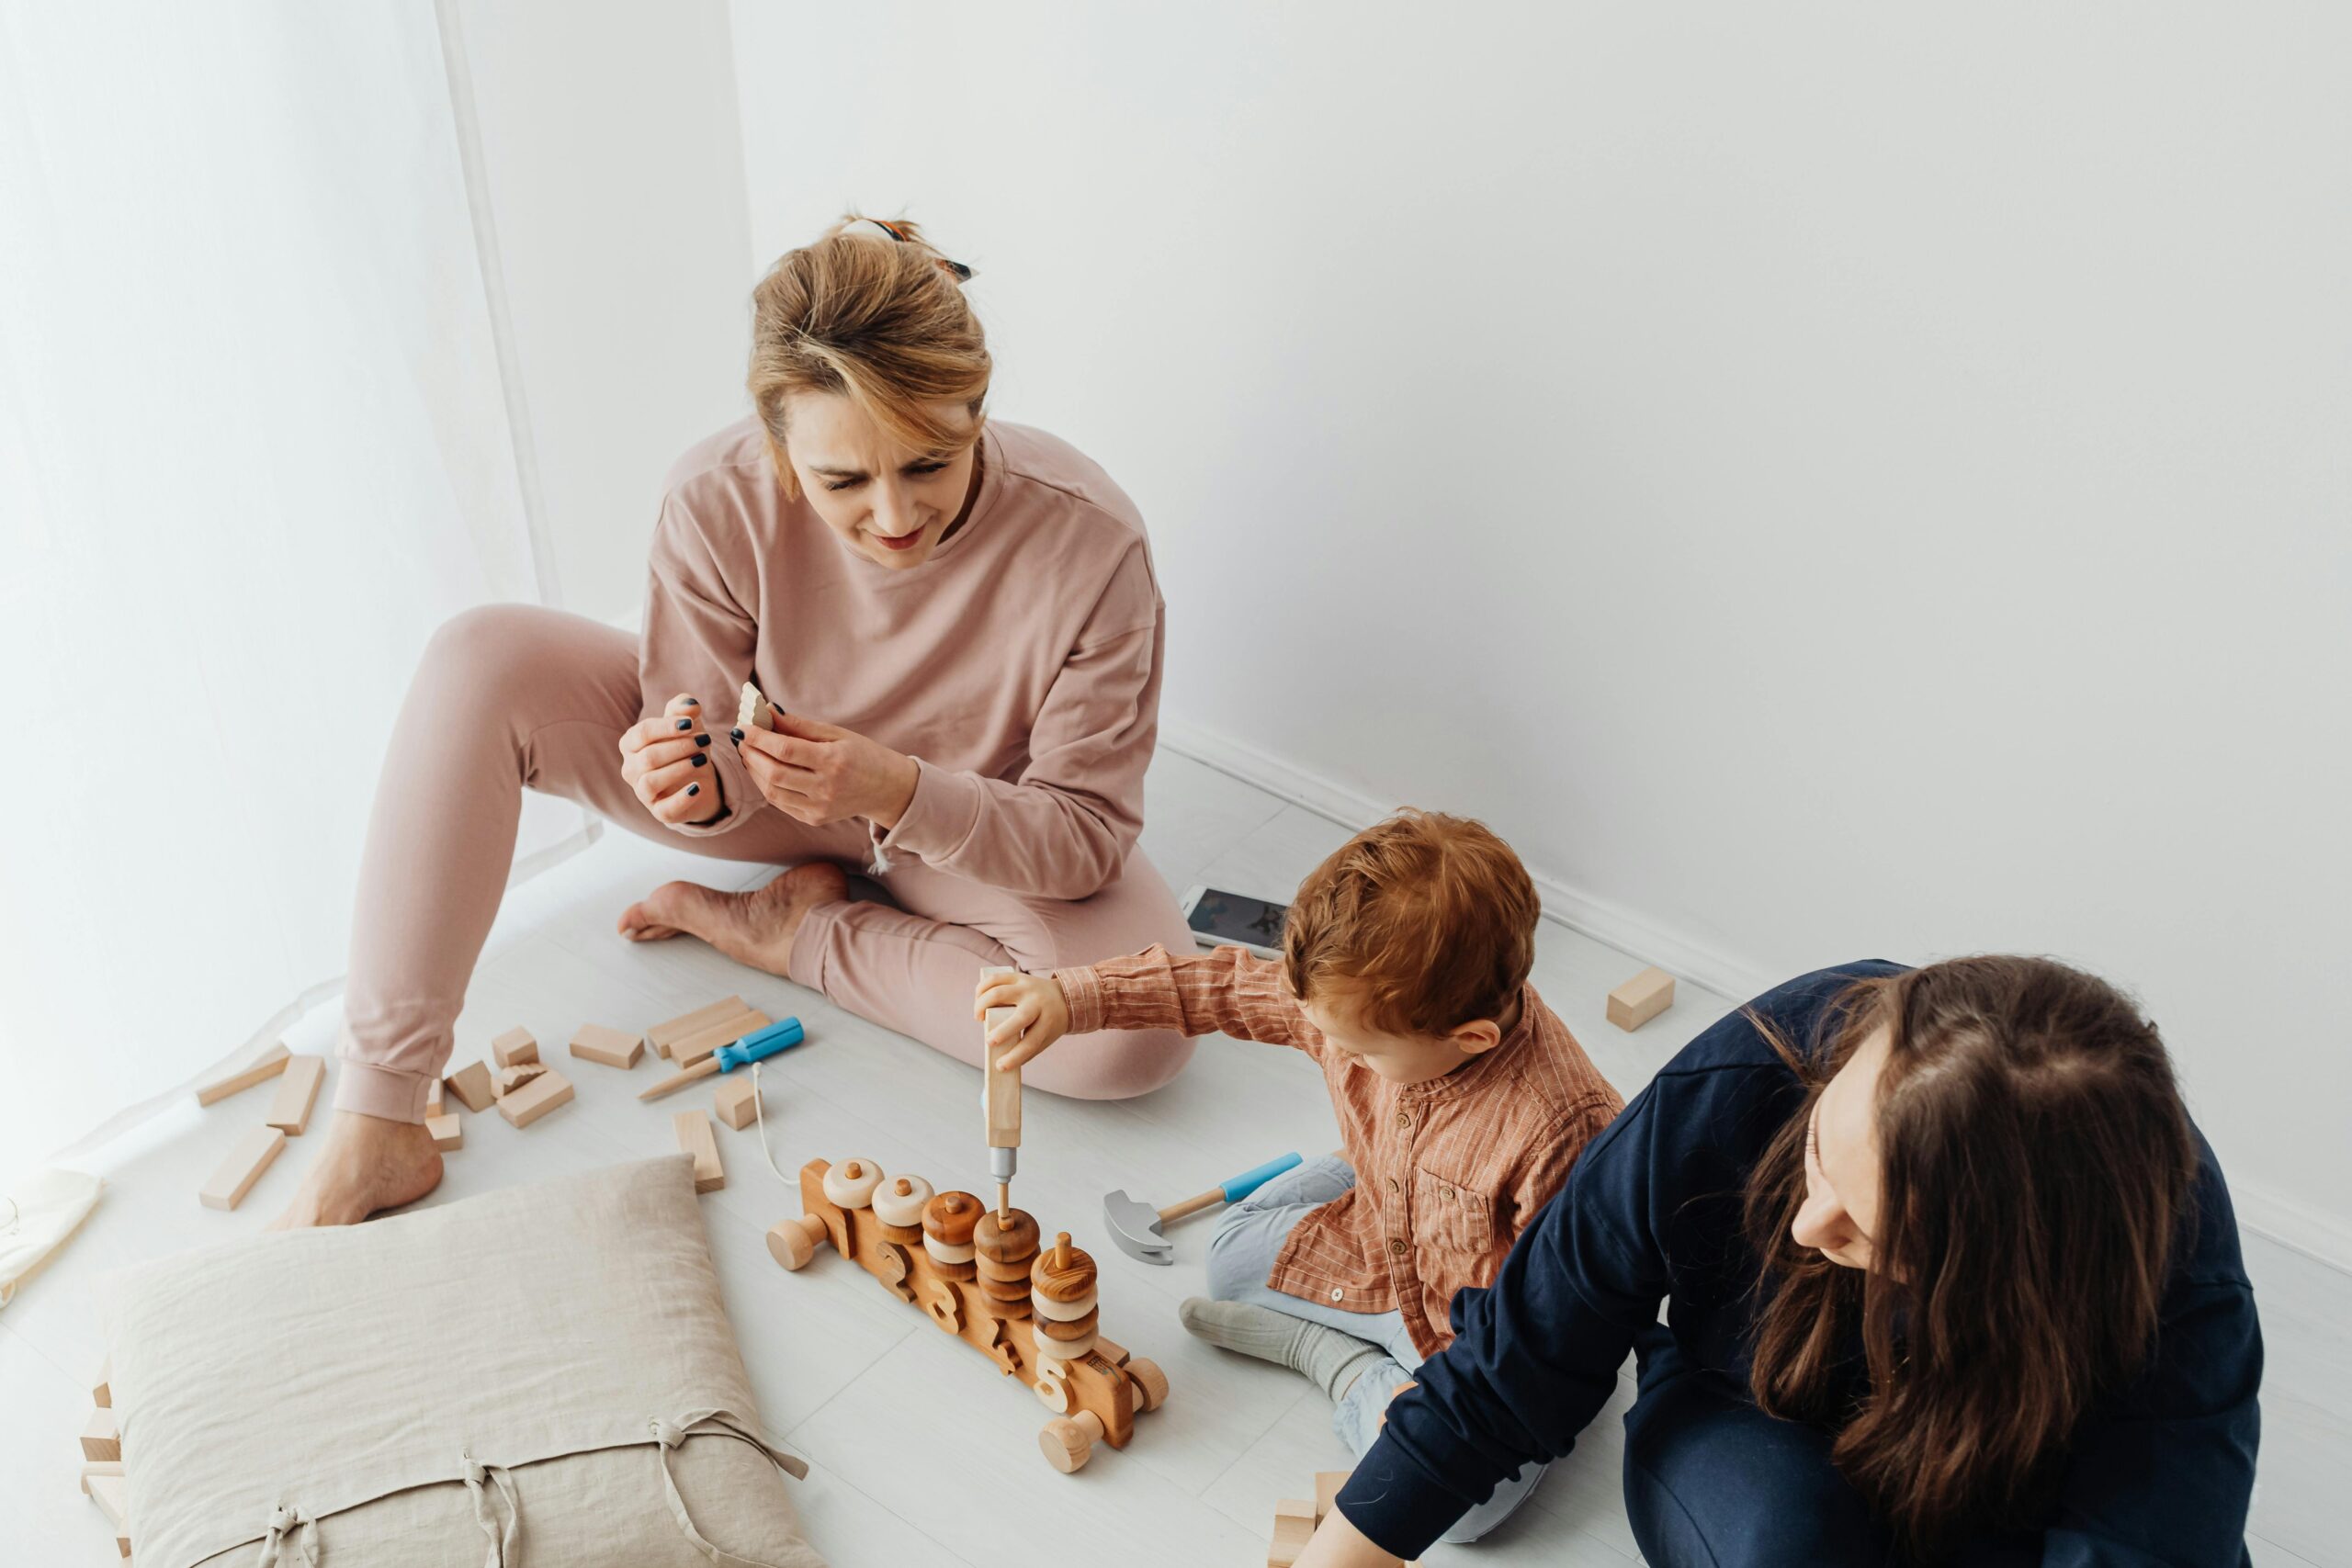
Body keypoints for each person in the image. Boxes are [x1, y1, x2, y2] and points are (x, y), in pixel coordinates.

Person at [277, 215, 1198, 1227]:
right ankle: (378, 1118)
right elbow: (700, 736)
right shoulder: (716, 497)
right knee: (478, 657)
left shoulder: (1090, 542)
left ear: (980, 412)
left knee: (1135, 1034)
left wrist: (894, 788)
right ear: (778, 444)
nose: (893, 518)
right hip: (784, 796)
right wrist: (689, 780)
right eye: (842, 480)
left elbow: (1086, 841)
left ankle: (799, 933)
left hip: (969, 829)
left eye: (931, 463)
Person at [1295, 957, 2263, 1565]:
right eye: (1816, 1157)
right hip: (1751, 1414)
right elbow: (1512, 1369)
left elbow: (2145, 1534)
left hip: (2001, 1478)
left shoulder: (2168, 1272)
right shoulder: (1757, 1066)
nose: (1805, 1231)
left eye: (1869, 1236)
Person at [975, 811, 1624, 1543]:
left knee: (1468, 1515)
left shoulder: (1568, 1129)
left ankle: (1332, 1361)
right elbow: (1221, 988)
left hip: (1472, 1336)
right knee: (1225, 1260)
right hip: (1383, 1241)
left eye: (1357, 1049)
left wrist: (1428, 1410)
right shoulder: (1359, 1000)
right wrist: (1072, 996)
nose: (1330, 1047)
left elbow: (1556, 1332)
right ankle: (1365, 1174)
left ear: (1469, 1037)